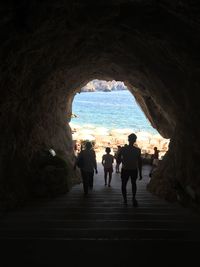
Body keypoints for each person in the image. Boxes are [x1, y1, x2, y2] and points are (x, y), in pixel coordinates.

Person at [117, 133, 142, 206]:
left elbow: (118, 160)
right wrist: (140, 173)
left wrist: (122, 159)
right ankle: (133, 198)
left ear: (128, 139)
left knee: (123, 184)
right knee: (134, 184)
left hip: (125, 169)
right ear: (135, 140)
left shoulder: (123, 149)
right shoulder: (138, 150)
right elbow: (140, 162)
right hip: (134, 169)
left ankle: (125, 200)